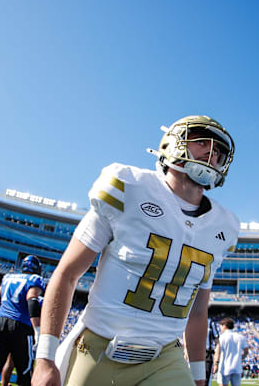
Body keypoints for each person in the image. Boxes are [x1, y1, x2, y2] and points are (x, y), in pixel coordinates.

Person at [32, 115, 239, 386]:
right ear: (173, 144)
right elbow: (68, 274)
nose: (212, 154)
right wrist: (45, 359)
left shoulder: (223, 227)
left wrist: (199, 377)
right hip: (99, 349)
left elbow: (198, 311)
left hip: (166, 356)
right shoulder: (128, 187)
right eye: (202, 142)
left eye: (220, 152)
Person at [0, 255, 45, 386]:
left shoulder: (8, 277)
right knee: (25, 374)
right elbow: (32, 299)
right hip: (21, 327)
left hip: (0, 322)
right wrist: (37, 330)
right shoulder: (35, 279)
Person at [213, 317, 248, 386]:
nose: (220, 328)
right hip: (236, 367)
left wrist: (216, 364)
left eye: (221, 326)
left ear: (224, 326)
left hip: (224, 367)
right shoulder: (240, 337)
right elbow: (246, 351)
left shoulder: (221, 337)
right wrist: (241, 358)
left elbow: (217, 352)